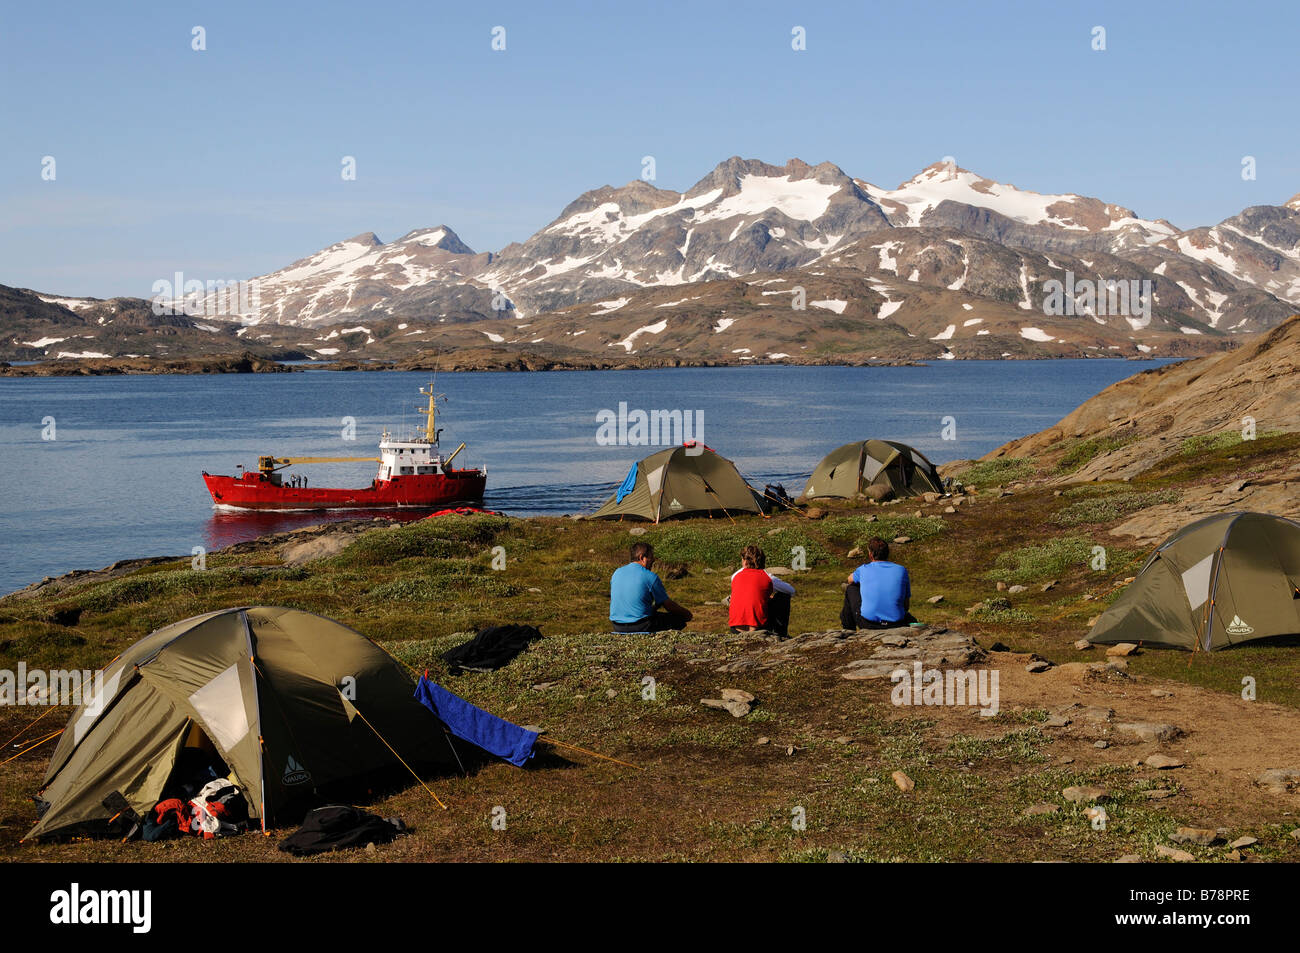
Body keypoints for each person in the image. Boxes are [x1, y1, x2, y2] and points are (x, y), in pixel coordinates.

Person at [609, 542, 692, 633]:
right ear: (642, 558)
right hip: (641, 625)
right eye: (651, 557)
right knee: (678, 619)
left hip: (617, 626)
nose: (653, 561)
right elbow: (668, 605)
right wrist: (687, 614)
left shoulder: (617, 573)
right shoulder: (650, 576)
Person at [840, 537, 915, 629]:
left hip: (869, 623)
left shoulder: (863, 569)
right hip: (897, 623)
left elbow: (849, 580)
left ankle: (848, 630)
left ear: (870, 555)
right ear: (887, 553)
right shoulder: (901, 570)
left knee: (851, 588)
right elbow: (906, 606)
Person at [729, 545, 795, 637]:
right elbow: (791, 590)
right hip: (757, 628)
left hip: (735, 628)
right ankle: (781, 634)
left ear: (744, 561)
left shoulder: (735, 576)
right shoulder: (768, 577)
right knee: (783, 596)